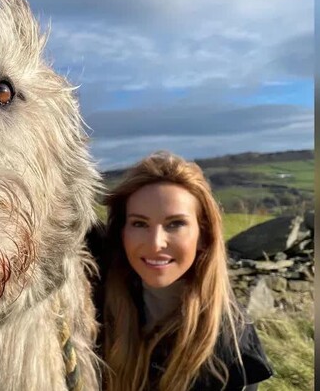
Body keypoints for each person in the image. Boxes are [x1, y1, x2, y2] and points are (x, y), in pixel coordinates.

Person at [90, 151, 273, 391]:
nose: (156, 243)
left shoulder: (232, 344)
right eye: (139, 223)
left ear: (203, 235)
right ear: (121, 232)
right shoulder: (96, 297)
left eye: (175, 224)